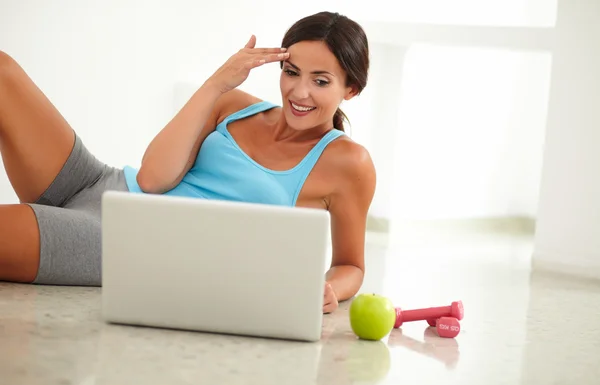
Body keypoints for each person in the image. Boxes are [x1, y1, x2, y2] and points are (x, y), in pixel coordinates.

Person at [0, 11, 375, 313]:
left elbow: (351, 266)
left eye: (321, 81)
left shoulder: (347, 163)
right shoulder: (231, 104)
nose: (300, 91)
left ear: (351, 89)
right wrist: (216, 84)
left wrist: (329, 289)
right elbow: (151, 178)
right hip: (100, 184)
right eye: (291, 72)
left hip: (128, 241)